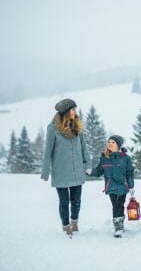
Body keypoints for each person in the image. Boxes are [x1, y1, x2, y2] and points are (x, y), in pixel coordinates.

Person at [41, 98, 91, 237]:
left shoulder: (77, 127)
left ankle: (74, 223)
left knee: (76, 200)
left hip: (76, 172)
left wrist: (88, 164)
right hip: (61, 171)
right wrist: (45, 172)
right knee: (64, 202)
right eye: (73, 109)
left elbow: (83, 148)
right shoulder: (53, 128)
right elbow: (48, 152)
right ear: (65, 112)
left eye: (76, 109)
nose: (76, 111)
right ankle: (66, 226)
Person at [86, 135, 134, 238]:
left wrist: (131, 186)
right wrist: (90, 172)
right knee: (115, 206)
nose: (110, 144)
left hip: (122, 186)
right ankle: (118, 228)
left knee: (120, 205)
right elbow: (99, 171)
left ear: (118, 145)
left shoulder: (125, 158)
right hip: (111, 186)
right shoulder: (104, 157)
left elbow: (130, 172)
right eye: (109, 142)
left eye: (113, 142)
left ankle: (120, 226)